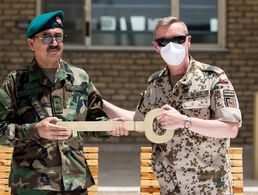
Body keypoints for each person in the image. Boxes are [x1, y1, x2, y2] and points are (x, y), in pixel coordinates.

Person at [103, 16, 242, 194]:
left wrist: (184, 121)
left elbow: (230, 128)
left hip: (208, 187)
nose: (171, 46)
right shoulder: (155, 83)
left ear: (188, 41)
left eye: (178, 39)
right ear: (156, 46)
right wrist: (101, 103)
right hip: (170, 186)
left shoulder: (213, 78)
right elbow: (140, 120)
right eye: (164, 41)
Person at [0, 10, 127, 195]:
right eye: (46, 37)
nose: (54, 43)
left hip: (75, 183)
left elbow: (94, 119)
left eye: (58, 37)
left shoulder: (79, 78)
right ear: (31, 43)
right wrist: (35, 130)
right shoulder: (15, 82)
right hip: (32, 184)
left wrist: (110, 127)